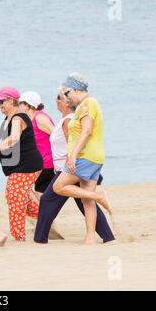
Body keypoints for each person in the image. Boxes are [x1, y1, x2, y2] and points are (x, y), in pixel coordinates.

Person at [33, 89, 115, 244]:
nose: (55, 100)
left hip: (70, 167)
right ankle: (108, 237)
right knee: (85, 201)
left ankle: (39, 239)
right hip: (69, 166)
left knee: (47, 200)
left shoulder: (68, 121)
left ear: (67, 102)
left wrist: (66, 165)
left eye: (59, 98)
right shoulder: (65, 119)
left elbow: (71, 144)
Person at [52, 73, 112, 245]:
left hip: (85, 156)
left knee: (58, 186)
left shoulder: (87, 104)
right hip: (94, 157)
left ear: (76, 90)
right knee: (87, 200)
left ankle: (99, 196)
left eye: (67, 93)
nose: (67, 98)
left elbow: (87, 131)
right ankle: (90, 238)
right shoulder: (86, 105)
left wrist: (72, 156)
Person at [0, 87, 43, 242]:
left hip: (27, 166)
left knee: (14, 197)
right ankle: (46, 215)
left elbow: (13, 138)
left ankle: (19, 236)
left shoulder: (19, 117)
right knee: (17, 198)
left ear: (12, 100)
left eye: (1, 102)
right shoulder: (9, 119)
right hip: (18, 167)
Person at [18, 91, 55, 200]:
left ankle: (43, 216)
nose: (19, 106)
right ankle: (43, 216)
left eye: (20, 103)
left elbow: (57, 135)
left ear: (28, 105)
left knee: (40, 197)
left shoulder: (39, 117)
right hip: (38, 164)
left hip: (47, 164)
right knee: (31, 192)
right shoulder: (28, 119)